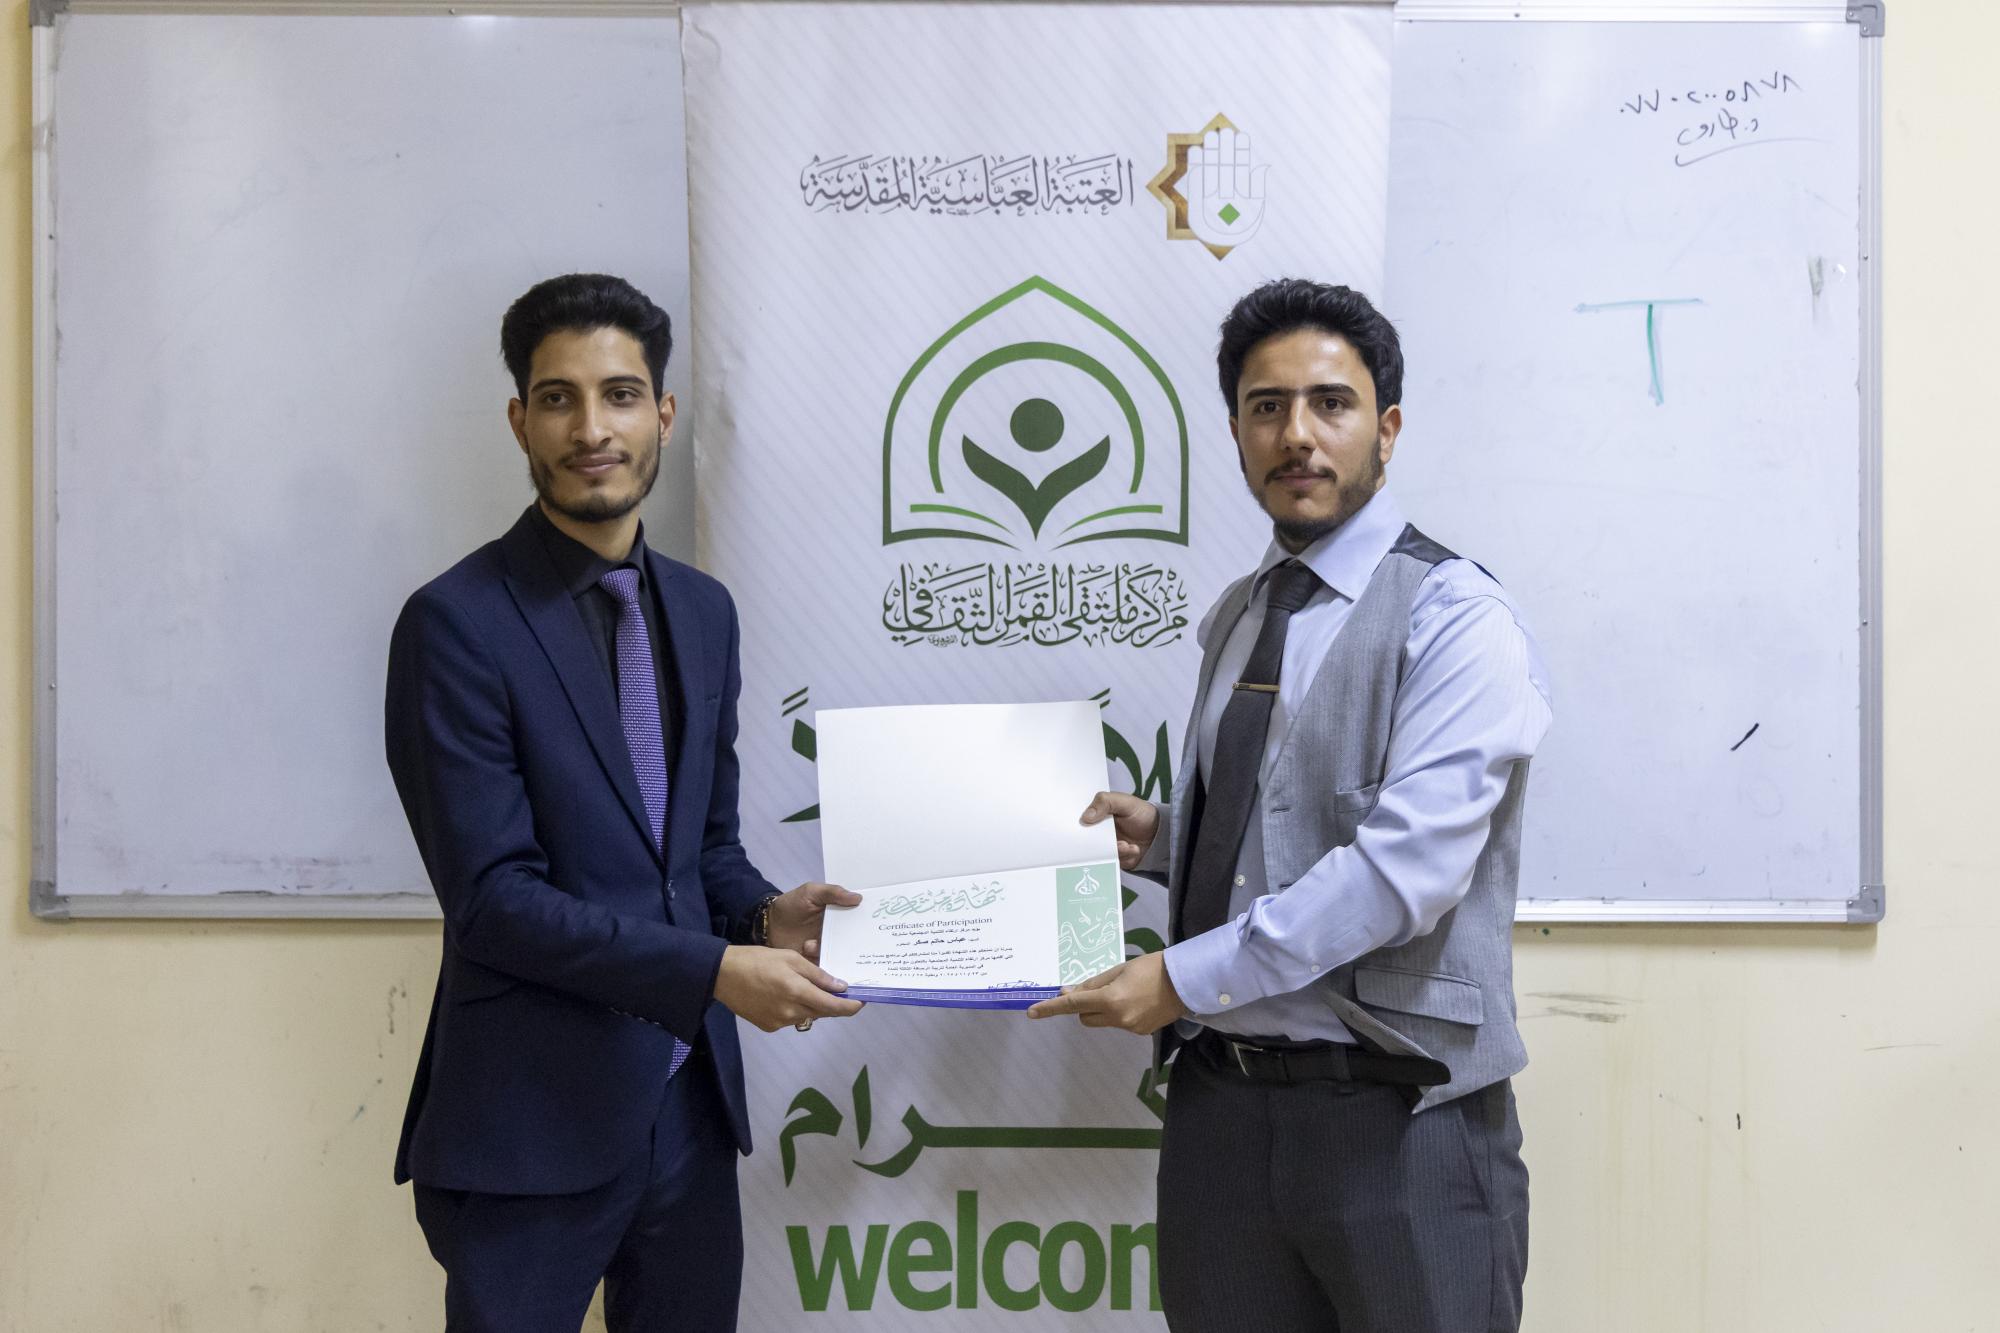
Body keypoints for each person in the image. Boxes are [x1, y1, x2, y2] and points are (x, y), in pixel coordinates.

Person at [1030, 278, 1551, 1331]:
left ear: (1385, 429)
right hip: (1222, 1114)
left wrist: (1178, 976)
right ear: (1234, 430)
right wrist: (1166, 840)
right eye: (1265, 407)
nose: (1296, 435)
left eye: (1330, 403)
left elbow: (1400, 874)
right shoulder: (1240, 613)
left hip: (1401, 1118)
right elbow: (1285, 814)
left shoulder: (1455, 614)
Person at [384, 273, 861, 1332]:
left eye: (620, 395)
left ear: (664, 415)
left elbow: (701, 850)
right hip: (529, 1126)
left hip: (690, 1111)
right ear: (521, 420)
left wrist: (763, 915)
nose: (591, 429)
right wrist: (714, 970)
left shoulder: (702, 611)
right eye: (558, 399)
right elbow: (494, 902)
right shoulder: (455, 624)